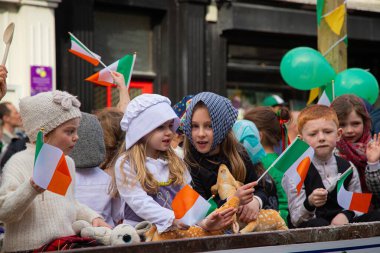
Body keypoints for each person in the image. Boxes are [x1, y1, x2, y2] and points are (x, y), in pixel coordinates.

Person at [0, 90, 109, 252]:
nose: (76, 137)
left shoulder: (67, 162)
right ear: (43, 134)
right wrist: (31, 188)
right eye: (69, 131)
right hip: (27, 249)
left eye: (76, 131)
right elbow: (5, 212)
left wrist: (93, 216)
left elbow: (68, 204)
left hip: (63, 246)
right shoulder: (18, 163)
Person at [115, 93, 237, 234]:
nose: (169, 132)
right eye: (160, 127)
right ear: (141, 130)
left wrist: (204, 222)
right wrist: (173, 219)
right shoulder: (126, 164)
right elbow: (140, 202)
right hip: (139, 234)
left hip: (174, 234)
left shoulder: (176, 162)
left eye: (170, 126)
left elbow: (187, 201)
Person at [283, 104, 380, 228]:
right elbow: (296, 218)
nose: (322, 138)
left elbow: (358, 208)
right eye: (313, 134)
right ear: (302, 140)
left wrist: (347, 214)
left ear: (339, 134)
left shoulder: (348, 167)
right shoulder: (296, 172)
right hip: (311, 229)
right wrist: (310, 202)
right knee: (319, 224)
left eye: (328, 132)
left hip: (342, 224)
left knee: (376, 216)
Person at [183, 92, 268, 224]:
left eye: (209, 126)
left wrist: (256, 202)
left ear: (222, 126)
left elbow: (260, 188)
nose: (200, 134)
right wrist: (233, 201)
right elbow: (201, 211)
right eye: (194, 126)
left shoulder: (239, 154)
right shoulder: (190, 165)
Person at [70, 112, 122, 227]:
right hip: (106, 235)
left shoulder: (62, 177)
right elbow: (118, 215)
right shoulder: (109, 180)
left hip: (71, 236)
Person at [244, 106, 290, 224]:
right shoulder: (280, 161)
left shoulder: (257, 163)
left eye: (244, 132)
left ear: (258, 136)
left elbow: (283, 202)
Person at [330, 94, 375, 193]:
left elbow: (377, 190)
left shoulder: (375, 149)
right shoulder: (329, 151)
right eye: (342, 124)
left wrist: (373, 163)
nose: (349, 130)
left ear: (365, 122)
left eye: (356, 124)